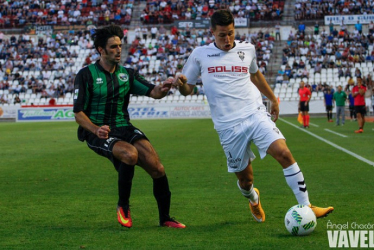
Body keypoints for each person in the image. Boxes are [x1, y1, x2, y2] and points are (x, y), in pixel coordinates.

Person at [173, 10, 333, 223]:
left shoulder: (247, 49)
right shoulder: (199, 54)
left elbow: (255, 74)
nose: (227, 39)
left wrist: (273, 99)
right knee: (246, 181)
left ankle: (307, 206)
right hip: (228, 126)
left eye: (230, 33)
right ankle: (253, 198)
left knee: (284, 153)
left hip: (254, 113)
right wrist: (182, 84)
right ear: (212, 32)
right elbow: (188, 89)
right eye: (222, 35)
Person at [73, 25, 185, 229]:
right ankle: (123, 207)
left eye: (120, 45)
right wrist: (95, 129)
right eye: (113, 46)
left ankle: (165, 218)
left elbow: (154, 92)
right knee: (130, 155)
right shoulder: (86, 75)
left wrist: (165, 86)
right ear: (101, 50)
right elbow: (78, 113)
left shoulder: (127, 74)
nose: (119, 50)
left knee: (157, 168)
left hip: (124, 127)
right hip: (98, 132)